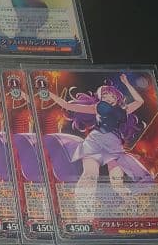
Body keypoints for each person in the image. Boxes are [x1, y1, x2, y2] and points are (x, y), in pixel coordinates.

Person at [48, 74, 149, 208]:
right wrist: (48, 93)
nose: (108, 97)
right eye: (104, 96)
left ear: (116, 97)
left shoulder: (124, 111)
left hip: (114, 146)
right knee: (90, 174)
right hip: (95, 142)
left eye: (111, 95)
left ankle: (132, 205)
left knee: (117, 182)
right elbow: (67, 105)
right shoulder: (97, 108)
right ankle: (83, 207)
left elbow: (140, 101)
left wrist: (127, 83)